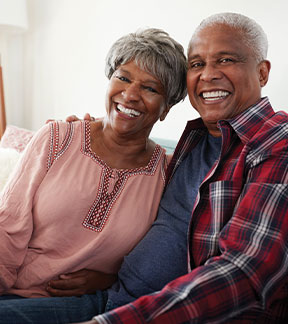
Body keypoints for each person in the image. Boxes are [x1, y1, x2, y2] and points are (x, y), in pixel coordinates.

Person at [0, 12, 288, 324]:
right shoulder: (194, 145)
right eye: (197, 63)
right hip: (113, 300)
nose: (208, 74)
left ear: (262, 72)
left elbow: (246, 275)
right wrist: (76, 136)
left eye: (226, 60)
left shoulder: (287, 142)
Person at [0, 28, 188, 321]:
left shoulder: (169, 174)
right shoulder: (57, 138)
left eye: (150, 88)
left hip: (88, 303)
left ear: (167, 108)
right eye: (123, 78)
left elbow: (160, 263)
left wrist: (109, 280)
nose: (130, 95)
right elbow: (8, 228)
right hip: (13, 290)